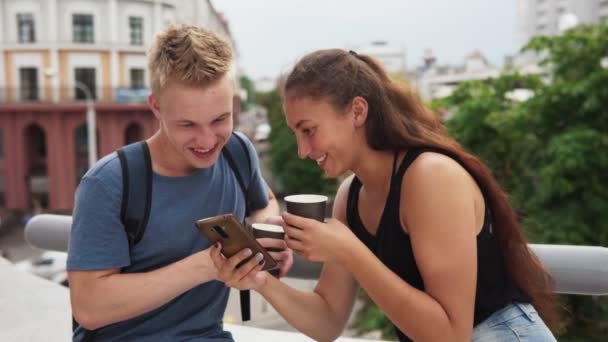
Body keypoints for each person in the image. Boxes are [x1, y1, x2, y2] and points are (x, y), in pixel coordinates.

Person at [215, 49, 560, 341]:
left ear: (358, 112)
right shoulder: (350, 196)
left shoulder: (430, 177)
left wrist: (350, 252)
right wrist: (258, 279)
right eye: (296, 134)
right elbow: (328, 320)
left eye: (309, 130)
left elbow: (451, 334)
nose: (303, 150)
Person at [66, 25, 291, 341]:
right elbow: (90, 308)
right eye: (187, 124)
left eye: (219, 120)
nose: (207, 140)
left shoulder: (238, 152)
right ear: (156, 106)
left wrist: (268, 234)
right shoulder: (107, 183)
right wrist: (208, 266)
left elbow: (263, 201)